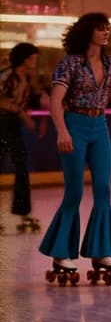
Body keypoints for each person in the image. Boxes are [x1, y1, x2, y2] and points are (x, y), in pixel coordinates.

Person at [39, 13, 111, 281]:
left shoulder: (110, 62)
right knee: (74, 192)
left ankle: (101, 251)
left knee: (103, 188)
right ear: (88, 32)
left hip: (99, 126)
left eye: (107, 28)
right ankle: (61, 252)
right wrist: (62, 130)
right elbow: (56, 100)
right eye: (101, 28)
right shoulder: (70, 64)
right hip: (74, 124)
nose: (106, 32)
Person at [0, 42, 41, 233]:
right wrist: (22, 113)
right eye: (33, 57)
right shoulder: (7, 75)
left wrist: (25, 112)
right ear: (25, 58)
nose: (36, 60)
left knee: (22, 166)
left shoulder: (25, 78)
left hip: (13, 124)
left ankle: (23, 211)